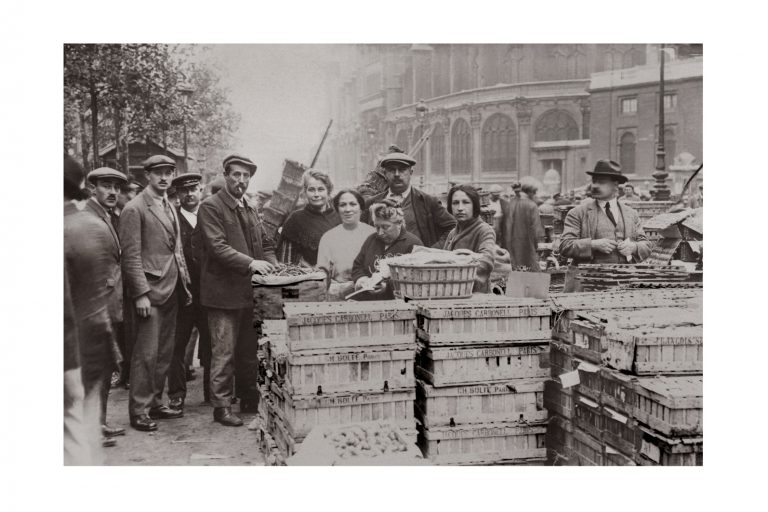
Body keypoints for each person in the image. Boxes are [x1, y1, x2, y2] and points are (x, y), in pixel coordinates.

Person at [198, 154, 278, 427]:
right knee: (223, 352)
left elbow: (266, 244)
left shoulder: (251, 208)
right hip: (222, 294)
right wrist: (252, 263)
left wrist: (274, 268)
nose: (241, 181)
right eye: (236, 175)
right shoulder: (211, 207)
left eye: (246, 176)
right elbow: (217, 247)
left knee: (247, 350)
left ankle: (248, 398)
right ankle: (221, 407)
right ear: (226, 175)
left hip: (249, 293)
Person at [119, 155, 191, 432]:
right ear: (147, 175)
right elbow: (131, 257)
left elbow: (176, 251)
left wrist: (183, 284)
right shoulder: (134, 209)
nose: (164, 177)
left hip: (171, 288)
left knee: (164, 352)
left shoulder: (170, 205)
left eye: (168, 172)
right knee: (145, 354)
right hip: (149, 292)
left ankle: (155, 403)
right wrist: (140, 294)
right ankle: (138, 411)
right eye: (158, 172)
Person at [83, 167, 129, 443]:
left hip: (107, 303)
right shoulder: (89, 219)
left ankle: (98, 423)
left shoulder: (107, 216)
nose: (112, 192)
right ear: (92, 188)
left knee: (104, 366)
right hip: (94, 305)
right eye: (106, 186)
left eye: (116, 187)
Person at [64, 154, 101, 464]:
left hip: (72, 350)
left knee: (72, 434)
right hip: (87, 343)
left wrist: (70, 367)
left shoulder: (67, 229)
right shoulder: (86, 224)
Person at [166, 173, 212, 411]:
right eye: (184, 191)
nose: (190, 194)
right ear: (178, 195)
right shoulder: (171, 219)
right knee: (177, 345)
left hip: (209, 294)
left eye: (194, 189)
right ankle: (176, 394)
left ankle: (213, 393)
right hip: (182, 294)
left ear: (201, 190)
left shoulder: (210, 216)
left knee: (212, 344)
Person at [558, 159, 652, 265]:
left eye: (601, 182)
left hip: (625, 278)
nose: (594, 186)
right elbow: (565, 246)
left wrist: (634, 247)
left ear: (615, 186)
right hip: (588, 278)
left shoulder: (631, 214)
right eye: (594, 181)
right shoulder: (578, 213)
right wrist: (593, 244)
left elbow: (646, 246)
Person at [365, 151, 455, 248]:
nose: (397, 174)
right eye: (391, 170)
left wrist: (430, 251)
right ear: (384, 173)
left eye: (402, 170)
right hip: (381, 259)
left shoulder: (427, 201)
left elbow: (453, 228)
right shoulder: (371, 203)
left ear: (411, 172)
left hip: (416, 260)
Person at [351, 199, 422, 300]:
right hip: (368, 302)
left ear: (399, 223)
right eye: (376, 227)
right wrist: (362, 280)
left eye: (385, 227)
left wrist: (388, 287)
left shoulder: (413, 244)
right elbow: (357, 266)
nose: (380, 233)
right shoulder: (371, 240)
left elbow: (417, 280)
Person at [316, 188, 375, 298]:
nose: (348, 209)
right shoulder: (328, 237)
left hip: (370, 293)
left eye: (353, 204)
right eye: (342, 205)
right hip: (338, 295)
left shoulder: (373, 234)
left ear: (361, 208)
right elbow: (322, 273)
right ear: (337, 209)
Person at [278, 169, 340, 266]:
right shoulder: (295, 219)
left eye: (321, 189)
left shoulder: (339, 217)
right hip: (308, 277)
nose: (316, 194)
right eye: (311, 190)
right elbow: (286, 260)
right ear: (305, 192)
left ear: (328, 191)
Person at [442, 185, 496, 293]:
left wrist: (457, 279)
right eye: (455, 203)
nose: (460, 208)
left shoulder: (484, 230)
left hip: (475, 294)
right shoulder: (453, 233)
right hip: (451, 292)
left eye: (466, 202)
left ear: (474, 206)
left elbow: (486, 262)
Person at [499, 183, 545, 271]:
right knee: (530, 270)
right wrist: (537, 245)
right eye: (534, 193)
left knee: (516, 268)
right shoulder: (532, 205)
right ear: (530, 192)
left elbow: (505, 225)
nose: (535, 195)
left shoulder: (511, 203)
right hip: (527, 244)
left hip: (511, 244)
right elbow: (536, 229)